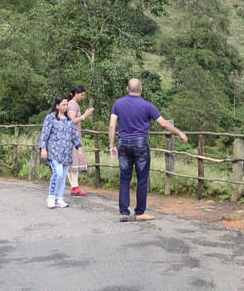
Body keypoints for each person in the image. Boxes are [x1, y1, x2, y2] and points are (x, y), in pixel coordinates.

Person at [108, 78, 188, 222]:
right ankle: (139, 213)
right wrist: (180, 133)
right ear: (141, 89)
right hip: (140, 144)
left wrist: (112, 144)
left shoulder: (118, 104)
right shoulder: (147, 105)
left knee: (124, 179)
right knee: (142, 179)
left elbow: (112, 125)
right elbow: (164, 123)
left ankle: (124, 213)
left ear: (127, 89)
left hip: (123, 143)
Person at [38, 95, 84, 209]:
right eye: (63, 104)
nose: (66, 106)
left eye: (67, 104)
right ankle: (51, 196)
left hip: (66, 152)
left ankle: (60, 198)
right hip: (54, 152)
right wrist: (43, 148)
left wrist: (79, 148)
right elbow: (44, 134)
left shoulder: (69, 120)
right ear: (57, 105)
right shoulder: (50, 118)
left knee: (63, 176)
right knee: (57, 174)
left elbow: (74, 135)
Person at [66, 85, 94, 196]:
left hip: (73, 136)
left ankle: (74, 186)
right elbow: (71, 121)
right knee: (74, 160)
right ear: (76, 94)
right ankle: (74, 186)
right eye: (81, 95)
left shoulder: (73, 104)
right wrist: (84, 116)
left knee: (74, 161)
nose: (83, 97)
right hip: (73, 137)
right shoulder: (72, 104)